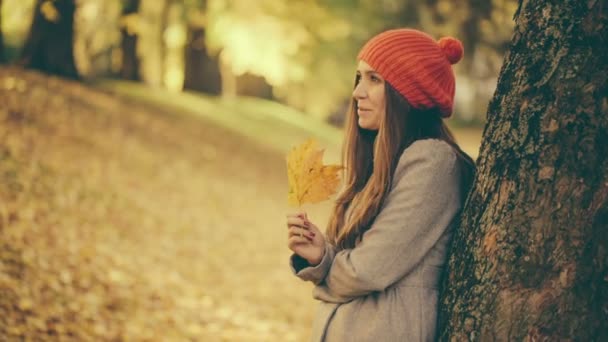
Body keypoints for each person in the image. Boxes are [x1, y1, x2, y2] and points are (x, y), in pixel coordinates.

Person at [286, 28, 476, 341]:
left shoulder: (432, 162)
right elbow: (362, 262)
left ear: (408, 92)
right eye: (359, 78)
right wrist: (320, 255)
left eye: (374, 80)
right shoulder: (382, 164)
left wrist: (326, 273)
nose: (358, 92)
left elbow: (368, 269)